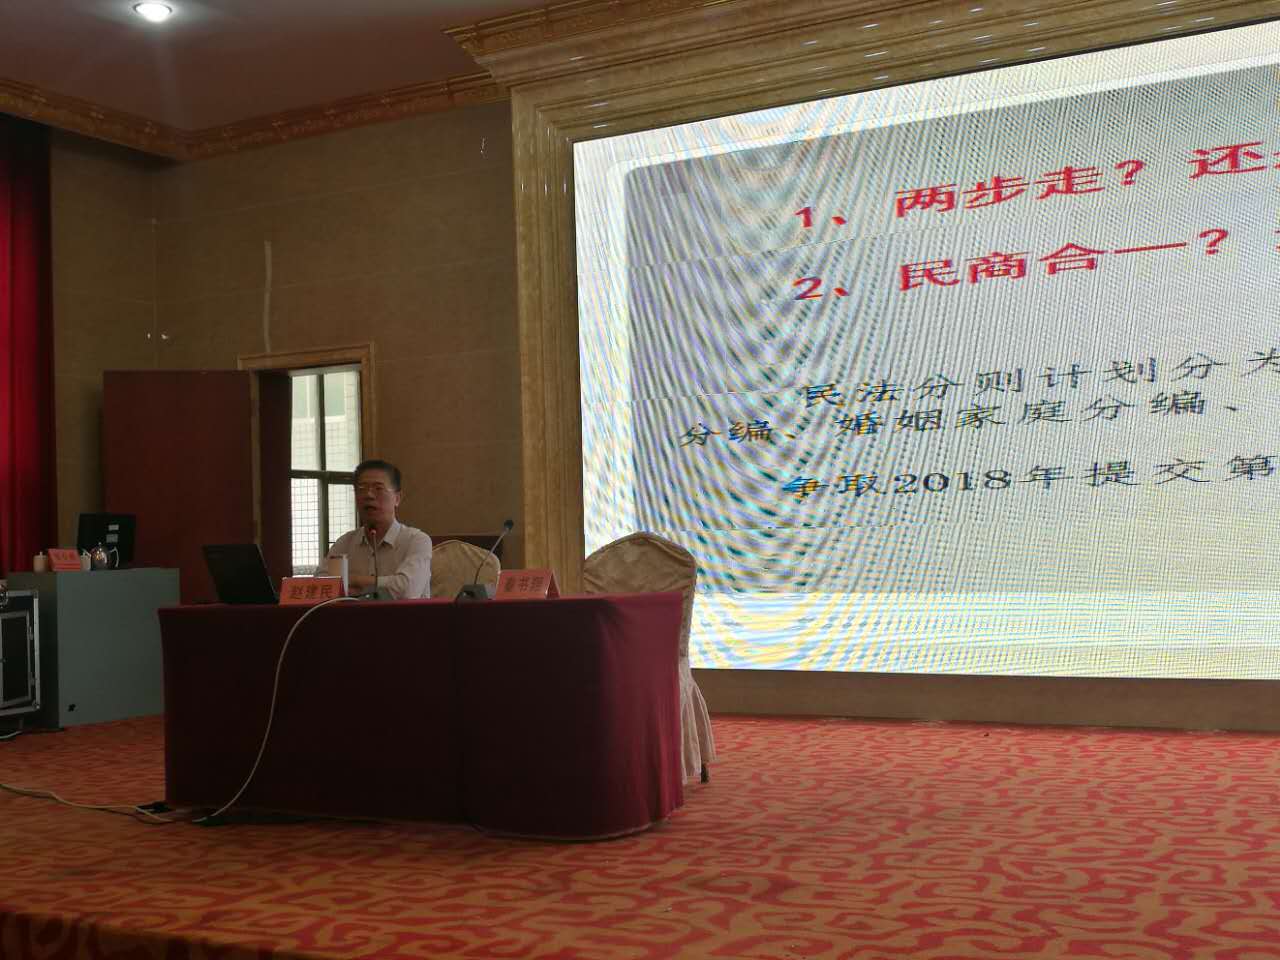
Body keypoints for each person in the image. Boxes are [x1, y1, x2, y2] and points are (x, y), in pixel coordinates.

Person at [327, 459, 432, 599]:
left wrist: (355, 580)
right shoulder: (345, 543)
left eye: (378, 489)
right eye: (362, 489)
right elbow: (322, 584)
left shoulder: (417, 541)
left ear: (397, 498)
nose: (369, 495)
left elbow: (407, 590)